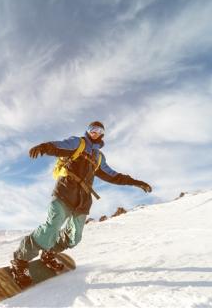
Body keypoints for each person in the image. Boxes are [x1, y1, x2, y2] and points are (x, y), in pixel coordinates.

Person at [10, 121, 152, 287]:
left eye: (99, 130)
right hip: (64, 192)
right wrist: (44, 147)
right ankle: (20, 261)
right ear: (88, 130)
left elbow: (113, 176)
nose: (95, 132)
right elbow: (60, 147)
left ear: (102, 134)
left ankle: (49, 253)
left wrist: (135, 182)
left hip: (83, 200)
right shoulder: (78, 142)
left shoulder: (99, 157)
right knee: (51, 227)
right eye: (92, 129)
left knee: (74, 237)